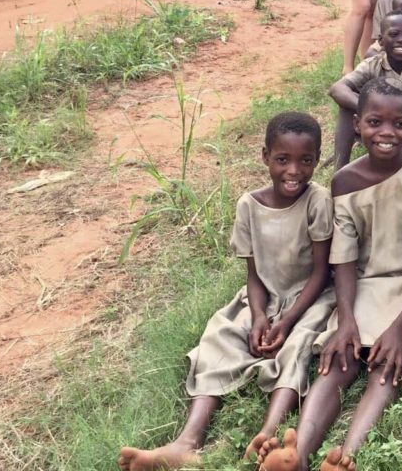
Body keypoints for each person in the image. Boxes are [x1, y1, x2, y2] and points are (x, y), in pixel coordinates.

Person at [257, 80, 402, 471]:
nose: (387, 133)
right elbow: (345, 260)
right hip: (369, 283)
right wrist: (347, 319)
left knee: (386, 362)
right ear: (356, 124)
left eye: (399, 123)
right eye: (374, 122)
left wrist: (401, 328)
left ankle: (345, 456)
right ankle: (296, 455)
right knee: (338, 358)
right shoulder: (344, 182)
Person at [119, 112, 335, 471]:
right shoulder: (249, 205)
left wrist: (288, 320)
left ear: (316, 160)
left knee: (298, 344)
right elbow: (253, 273)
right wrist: (261, 317)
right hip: (266, 295)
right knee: (221, 333)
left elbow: (321, 271)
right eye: (283, 159)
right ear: (265, 156)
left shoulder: (318, 201)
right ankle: (188, 441)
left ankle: (269, 433)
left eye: (305, 161)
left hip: (310, 297)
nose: (294, 170)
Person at [328, 12, 402, 169]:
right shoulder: (372, 63)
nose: (401, 40)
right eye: (394, 34)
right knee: (346, 106)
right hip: (380, 129)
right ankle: (340, 170)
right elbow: (337, 88)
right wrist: (370, 109)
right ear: (380, 40)